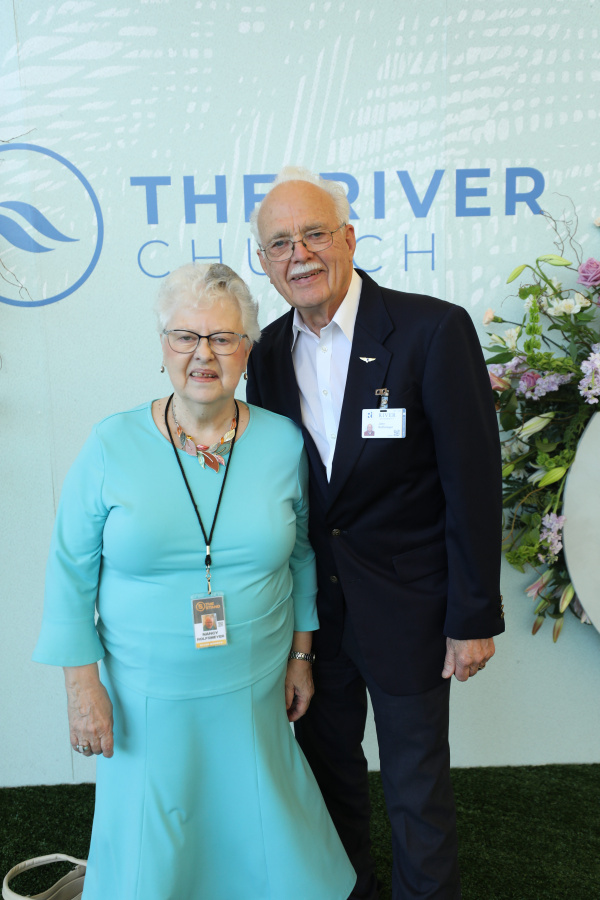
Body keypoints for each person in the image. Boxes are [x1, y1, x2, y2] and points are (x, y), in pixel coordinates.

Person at [33, 262, 356, 900]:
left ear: (248, 350)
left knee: (263, 844)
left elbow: (301, 557)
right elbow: (69, 569)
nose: (203, 354)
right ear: (163, 346)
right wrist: (81, 686)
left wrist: (302, 655)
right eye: (185, 336)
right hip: (145, 700)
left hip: (254, 692)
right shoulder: (111, 444)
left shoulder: (282, 443)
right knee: (153, 861)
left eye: (223, 338)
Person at [246, 167, 505, 900]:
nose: (299, 255)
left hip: (411, 610)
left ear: (350, 238)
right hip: (314, 622)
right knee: (327, 789)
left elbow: (471, 482)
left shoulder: (432, 329)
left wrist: (472, 617)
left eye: (314, 234)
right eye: (280, 244)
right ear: (263, 262)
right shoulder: (264, 354)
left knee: (417, 793)